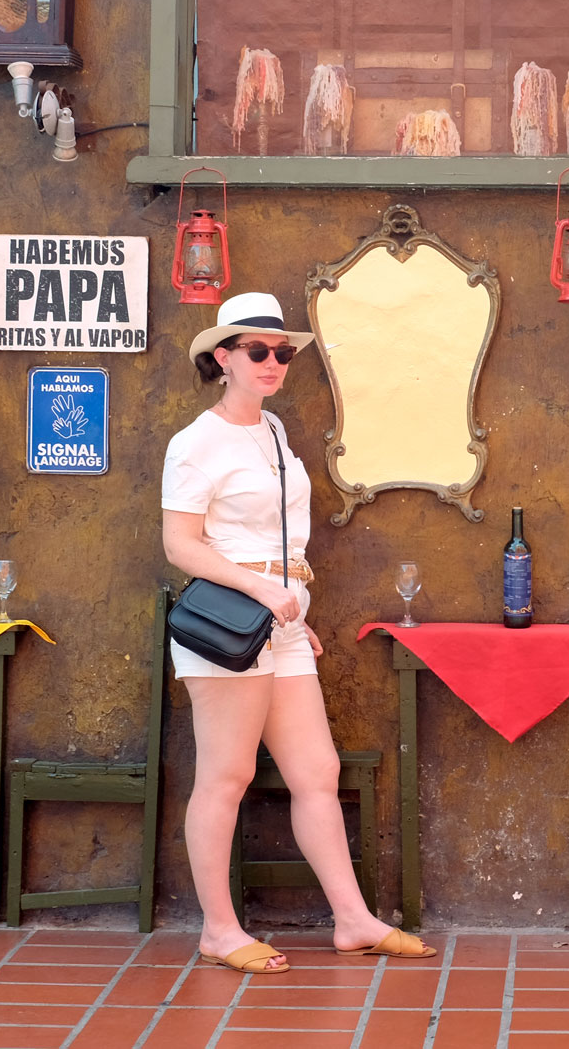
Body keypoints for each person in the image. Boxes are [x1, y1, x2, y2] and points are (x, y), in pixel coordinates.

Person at [163, 292, 435, 975]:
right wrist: (262, 592)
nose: (274, 361)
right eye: (258, 350)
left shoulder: (276, 432)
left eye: (283, 351)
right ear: (223, 356)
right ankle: (220, 929)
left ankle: (352, 919)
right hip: (232, 620)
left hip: (280, 620)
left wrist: (295, 611)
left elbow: (278, 539)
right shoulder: (196, 443)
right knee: (226, 775)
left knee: (317, 770)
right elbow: (181, 545)